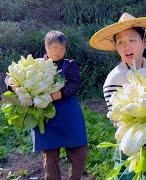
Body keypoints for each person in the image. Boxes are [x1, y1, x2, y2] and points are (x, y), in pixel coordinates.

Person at [89, 12, 146, 179]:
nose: (126, 46)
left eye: (132, 40)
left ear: (145, 42)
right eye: (120, 42)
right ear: (115, 47)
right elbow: (120, 125)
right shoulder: (114, 79)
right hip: (133, 154)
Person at [5, 30, 88, 180]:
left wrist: (52, 96)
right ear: (46, 48)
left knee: (79, 152)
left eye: (62, 49)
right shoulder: (35, 65)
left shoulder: (70, 65)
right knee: (50, 157)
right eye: (54, 48)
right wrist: (19, 90)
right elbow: (9, 78)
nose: (58, 52)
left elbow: (75, 84)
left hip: (69, 115)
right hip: (47, 117)